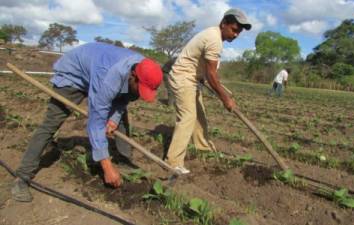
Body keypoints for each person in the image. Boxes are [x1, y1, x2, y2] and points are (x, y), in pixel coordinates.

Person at [11, 42, 163, 202]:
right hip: (74, 75)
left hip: (98, 69)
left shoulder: (143, 67)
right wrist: (107, 167)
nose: (140, 93)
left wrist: (114, 119)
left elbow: (124, 99)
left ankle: (124, 160)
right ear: (133, 75)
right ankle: (22, 176)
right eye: (140, 88)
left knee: (121, 120)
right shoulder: (110, 78)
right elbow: (95, 123)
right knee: (51, 123)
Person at [166, 8, 252, 174]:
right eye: (234, 30)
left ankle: (203, 148)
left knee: (200, 116)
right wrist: (225, 99)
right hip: (183, 78)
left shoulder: (214, 35)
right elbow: (212, 75)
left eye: (239, 32)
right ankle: (173, 162)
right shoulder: (214, 40)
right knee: (188, 117)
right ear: (223, 24)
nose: (236, 35)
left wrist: (211, 82)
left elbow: (209, 72)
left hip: (192, 79)